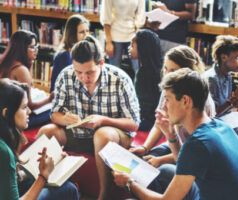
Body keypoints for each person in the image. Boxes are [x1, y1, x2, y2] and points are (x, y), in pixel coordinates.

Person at [113, 68, 238, 200]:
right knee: (166, 170)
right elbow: (187, 163)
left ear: (185, 101)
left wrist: (129, 182)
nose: (164, 106)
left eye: (167, 99)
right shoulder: (221, 126)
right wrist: (171, 136)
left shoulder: (198, 144)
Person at [37, 35, 140, 200]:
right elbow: (54, 114)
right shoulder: (65, 75)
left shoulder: (120, 80)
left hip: (113, 136)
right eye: (78, 72)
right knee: (46, 132)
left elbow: (134, 124)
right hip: (77, 134)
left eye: (90, 72)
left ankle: (104, 195)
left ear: (101, 63)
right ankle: (43, 185)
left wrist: (103, 120)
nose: (84, 78)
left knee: (102, 134)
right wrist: (64, 119)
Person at [130, 45, 215, 168]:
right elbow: (159, 124)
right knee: (146, 157)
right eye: (165, 69)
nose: (167, 75)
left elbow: (192, 152)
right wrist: (145, 147)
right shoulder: (169, 89)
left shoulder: (201, 100)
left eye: (173, 71)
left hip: (192, 151)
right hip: (175, 142)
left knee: (160, 167)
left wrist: (161, 160)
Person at [0, 78, 79, 200]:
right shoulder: (3, 151)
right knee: (69, 189)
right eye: (24, 107)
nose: (29, 111)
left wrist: (40, 169)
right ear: (6, 113)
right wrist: (43, 176)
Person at [0, 30, 53, 128]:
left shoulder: (4, 60)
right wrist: (49, 99)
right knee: (53, 112)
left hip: (3, 113)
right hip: (13, 119)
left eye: (36, 46)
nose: (36, 50)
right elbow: (30, 106)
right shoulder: (21, 70)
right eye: (32, 47)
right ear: (22, 49)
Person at [204, 35, 238, 145]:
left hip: (229, 120)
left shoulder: (228, 75)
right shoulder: (211, 79)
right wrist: (233, 100)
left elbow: (228, 107)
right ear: (224, 57)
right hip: (216, 126)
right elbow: (211, 115)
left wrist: (236, 102)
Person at [100, 0, 146, 74]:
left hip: (133, 36)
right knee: (114, 71)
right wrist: (108, 42)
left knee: (138, 70)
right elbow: (106, 17)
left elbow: (140, 17)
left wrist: (136, 42)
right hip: (115, 36)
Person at [130, 29, 162, 131]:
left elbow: (142, 108)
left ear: (142, 48)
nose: (129, 48)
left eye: (132, 46)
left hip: (148, 123)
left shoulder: (143, 74)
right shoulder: (159, 68)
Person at [50, 14, 90, 92]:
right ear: (72, 34)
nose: (86, 35)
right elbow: (55, 87)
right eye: (82, 32)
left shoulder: (86, 51)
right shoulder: (63, 56)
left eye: (87, 31)